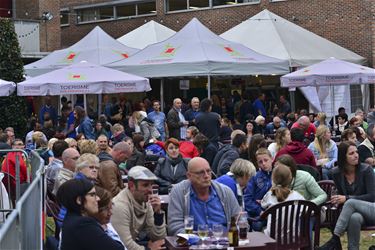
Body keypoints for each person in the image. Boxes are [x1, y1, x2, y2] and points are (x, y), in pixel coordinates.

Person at [319, 142, 375, 250]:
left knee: (350, 202)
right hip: (356, 213)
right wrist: (337, 200)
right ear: (343, 157)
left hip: (372, 208)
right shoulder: (336, 173)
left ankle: (334, 239)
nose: (356, 155)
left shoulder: (366, 170)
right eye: (351, 153)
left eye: (356, 152)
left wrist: (347, 198)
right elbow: (339, 194)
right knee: (354, 218)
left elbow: (372, 196)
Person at [167, 157, 241, 236]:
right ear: (189, 175)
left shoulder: (225, 192)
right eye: (200, 173)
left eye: (208, 171)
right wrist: (195, 240)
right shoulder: (179, 192)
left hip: (224, 242)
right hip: (193, 245)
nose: (206, 176)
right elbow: (175, 227)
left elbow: (239, 221)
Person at [56, 178, 124, 250]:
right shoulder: (82, 224)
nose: (98, 199)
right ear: (79, 200)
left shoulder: (71, 219)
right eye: (92, 195)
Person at [111, 166, 166, 250]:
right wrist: (148, 249)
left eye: (151, 185)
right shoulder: (119, 206)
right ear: (131, 185)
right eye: (145, 185)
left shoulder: (145, 201)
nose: (150, 190)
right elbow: (124, 244)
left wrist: (158, 214)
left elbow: (157, 238)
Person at [261, 163, 305, 237]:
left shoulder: (270, 195)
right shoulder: (298, 197)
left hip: (272, 238)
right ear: (290, 179)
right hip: (293, 238)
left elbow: (263, 204)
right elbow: (308, 210)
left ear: (273, 179)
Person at [244, 148, 273, 231]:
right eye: (260, 162)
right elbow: (247, 199)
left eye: (266, 160)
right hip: (259, 213)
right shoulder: (254, 177)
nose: (264, 164)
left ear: (272, 159)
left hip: (275, 210)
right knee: (257, 225)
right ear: (257, 164)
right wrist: (260, 211)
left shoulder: (277, 174)